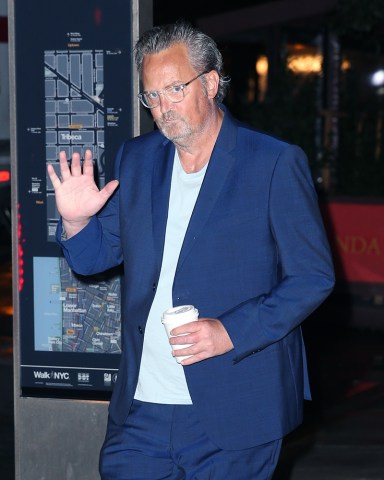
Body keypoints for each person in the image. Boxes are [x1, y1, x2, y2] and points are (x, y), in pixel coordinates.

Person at [48, 21, 335, 480]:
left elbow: (312, 277)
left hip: (236, 406)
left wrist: (230, 332)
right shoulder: (137, 159)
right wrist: (78, 222)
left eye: (174, 89)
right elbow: (93, 260)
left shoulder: (274, 162)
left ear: (211, 82)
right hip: (143, 409)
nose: (163, 108)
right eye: (152, 96)